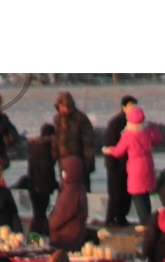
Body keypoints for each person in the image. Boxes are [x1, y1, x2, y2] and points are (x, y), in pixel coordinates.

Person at [103, 103, 157, 224]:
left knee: (137, 193)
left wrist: (108, 150)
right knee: (145, 192)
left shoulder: (128, 134)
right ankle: (148, 219)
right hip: (148, 164)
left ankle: (145, 221)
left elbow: (118, 151)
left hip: (135, 167)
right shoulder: (148, 131)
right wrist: (150, 127)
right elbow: (158, 137)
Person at [102, 95, 138, 226]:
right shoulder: (116, 122)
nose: (133, 108)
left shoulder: (136, 123)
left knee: (127, 193)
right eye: (130, 106)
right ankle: (110, 219)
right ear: (124, 107)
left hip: (130, 164)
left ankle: (122, 217)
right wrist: (112, 163)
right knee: (115, 194)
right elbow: (110, 143)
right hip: (116, 164)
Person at [51, 92, 95, 191]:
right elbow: (55, 141)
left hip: (78, 161)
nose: (63, 109)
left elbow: (88, 143)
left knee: (81, 189)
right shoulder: (57, 119)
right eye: (61, 106)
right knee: (66, 189)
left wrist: (88, 164)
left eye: (65, 106)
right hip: (63, 162)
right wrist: (51, 160)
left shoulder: (81, 118)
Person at [48, 155, 90, 252]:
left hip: (66, 238)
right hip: (73, 235)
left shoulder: (71, 190)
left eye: (65, 171)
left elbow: (60, 216)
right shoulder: (78, 187)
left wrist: (50, 222)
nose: (62, 174)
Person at [22, 122, 58, 236]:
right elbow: (46, 170)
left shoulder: (36, 146)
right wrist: (54, 184)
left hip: (35, 186)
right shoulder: (44, 149)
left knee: (38, 215)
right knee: (40, 216)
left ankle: (35, 237)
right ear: (51, 136)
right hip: (41, 188)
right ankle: (33, 238)